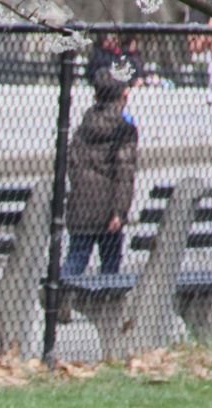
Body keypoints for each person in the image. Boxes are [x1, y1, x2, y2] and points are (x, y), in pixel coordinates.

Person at [61, 76, 137, 278]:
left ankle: (58, 298)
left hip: (81, 205)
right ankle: (106, 304)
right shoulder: (124, 128)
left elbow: (73, 163)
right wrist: (119, 211)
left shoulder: (86, 123)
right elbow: (124, 174)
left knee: (76, 258)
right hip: (108, 210)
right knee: (110, 265)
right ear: (122, 95)